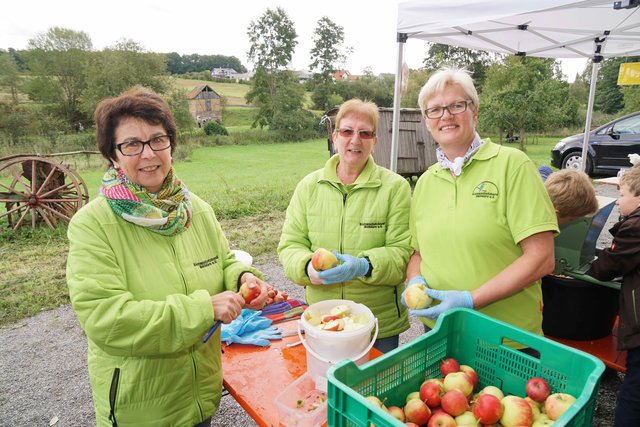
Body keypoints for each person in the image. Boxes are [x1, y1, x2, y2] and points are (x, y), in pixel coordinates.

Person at [66, 86, 276, 426]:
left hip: (199, 395)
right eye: (132, 144)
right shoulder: (92, 225)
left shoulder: (196, 210)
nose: (148, 154)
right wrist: (204, 309)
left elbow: (222, 260)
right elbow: (107, 320)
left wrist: (242, 277)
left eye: (157, 140)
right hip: (142, 409)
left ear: (171, 145)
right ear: (113, 155)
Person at [403, 68, 559, 344]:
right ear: (427, 121)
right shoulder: (426, 181)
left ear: (474, 111)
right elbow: (417, 253)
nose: (445, 116)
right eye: (435, 110)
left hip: (505, 337)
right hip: (439, 330)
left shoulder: (513, 165)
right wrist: (414, 280)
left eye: (456, 105)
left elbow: (541, 258)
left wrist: (470, 300)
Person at [278, 98, 413, 352]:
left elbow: (403, 252)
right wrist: (307, 267)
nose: (355, 140)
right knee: (325, 378)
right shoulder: (309, 187)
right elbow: (290, 245)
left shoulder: (395, 188)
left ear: (375, 141)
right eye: (347, 131)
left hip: (377, 324)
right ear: (335, 137)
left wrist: (365, 266)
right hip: (323, 320)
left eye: (365, 133)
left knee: (377, 378)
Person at [586, 164, 640, 427]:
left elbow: (609, 266)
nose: (617, 201)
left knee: (634, 391)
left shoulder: (635, 227)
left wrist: (590, 266)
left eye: (622, 195)